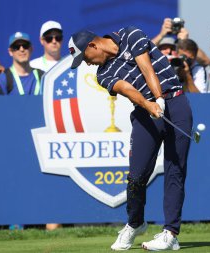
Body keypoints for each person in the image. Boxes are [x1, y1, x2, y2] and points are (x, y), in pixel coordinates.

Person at [69, 26, 193, 251]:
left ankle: (171, 234)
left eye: (85, 57)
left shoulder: (130, 34)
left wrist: (159, 99)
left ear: (93, 45)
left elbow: (146, 68)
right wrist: (149, 104)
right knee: (135, 178)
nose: (87, 63)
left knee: (175, 170)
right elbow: (126, 88)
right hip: (146, 114)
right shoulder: (102, 75)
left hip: (175, 103)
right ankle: (135, 223)